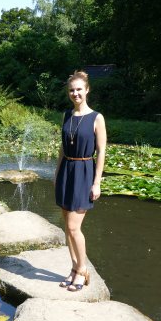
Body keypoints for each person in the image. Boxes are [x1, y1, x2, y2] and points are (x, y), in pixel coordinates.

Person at [53, 70, 107, 292]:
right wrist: (56, 174)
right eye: (71, 90)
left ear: (87, 90)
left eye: (79, 89)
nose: (75, 93)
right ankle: (74, 268)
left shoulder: (97, 118)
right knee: (67, 225)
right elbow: (62, 148)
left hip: (84, 170)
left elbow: (102, 151)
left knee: (75, 227)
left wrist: (97, 183)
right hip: (67, 169)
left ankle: (83, 269)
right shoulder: (66, 116)